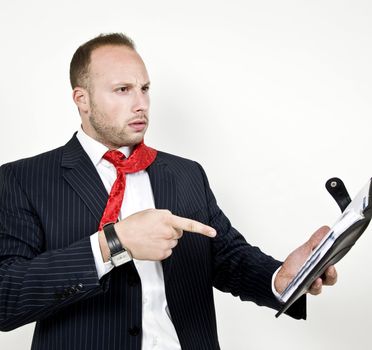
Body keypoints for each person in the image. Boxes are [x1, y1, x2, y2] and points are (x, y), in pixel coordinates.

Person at [0, 33, 337, 350]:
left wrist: (282, 278)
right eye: (122, 89)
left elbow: (228, 258)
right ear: (82, 99)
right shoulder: (22, 179)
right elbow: (7, 296)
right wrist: (113, 243)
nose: (140, 104)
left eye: (144, 88)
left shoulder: (186, 174)